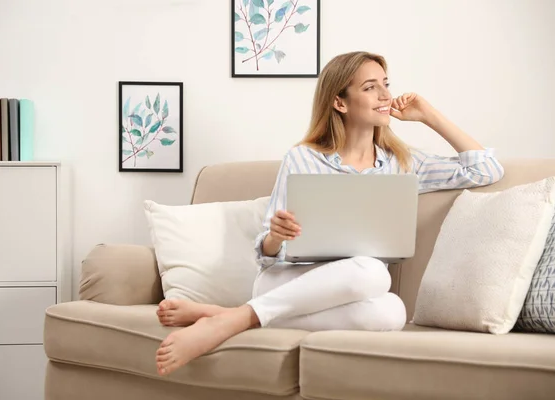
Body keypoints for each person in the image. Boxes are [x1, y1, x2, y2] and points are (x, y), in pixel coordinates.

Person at [154, 51, 505, 376]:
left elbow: (485, 170)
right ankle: (232, 321)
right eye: (370, 87)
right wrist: (277, 237)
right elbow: (266, 254)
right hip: (288, 280)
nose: (385, 95)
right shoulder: (303, 158)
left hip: (352, 289)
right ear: (340, 102)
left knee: (392, 311)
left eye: (386, 84)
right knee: (372, 269)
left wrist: (428, 116)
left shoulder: (402, 163)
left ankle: (227, 315)